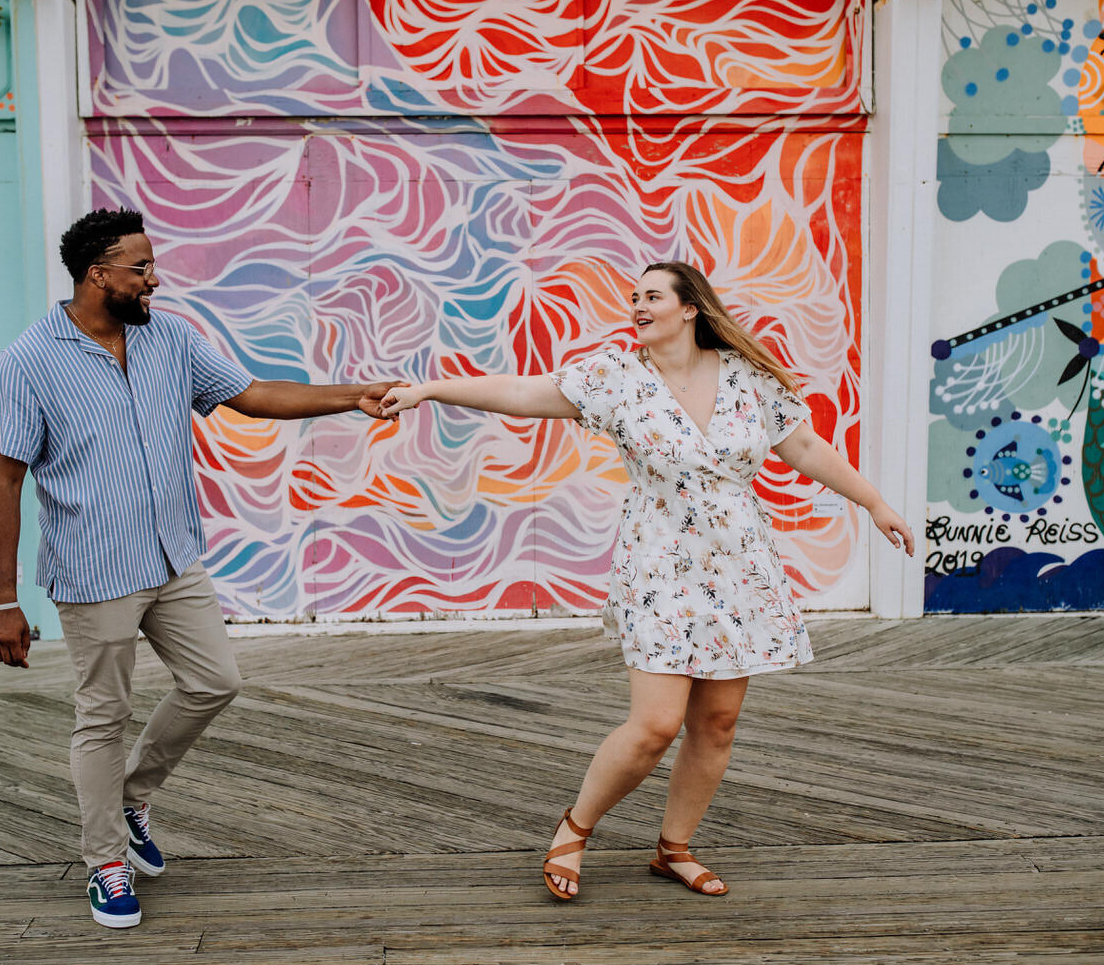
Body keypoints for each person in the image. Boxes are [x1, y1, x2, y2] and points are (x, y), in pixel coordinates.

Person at [382, 260, 913, 900]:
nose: (637, 304)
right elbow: (525, 394)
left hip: (739, 564)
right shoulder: (616, 377)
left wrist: (875, 504)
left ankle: (674, 848)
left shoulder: (749, 377)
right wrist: (432, 390)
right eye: (632, 296)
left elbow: (804, 450)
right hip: (659, 561)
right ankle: (574, 830)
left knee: (717, 720)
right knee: (656, 723)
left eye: (652, 296)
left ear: (690, 308)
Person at [0, 208, 399, 929]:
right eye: (140, 268)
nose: (154, 279)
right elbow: (3, 481)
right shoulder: (27, 361)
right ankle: (106, 861)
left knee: (216, 680)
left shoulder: (167, 338)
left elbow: (253, 394)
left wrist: (348, 396)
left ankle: (131, 794)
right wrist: (2, 599)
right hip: (95, 569)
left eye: (151, 265)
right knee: (102, 716)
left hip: (174, 558)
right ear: (96, 274)